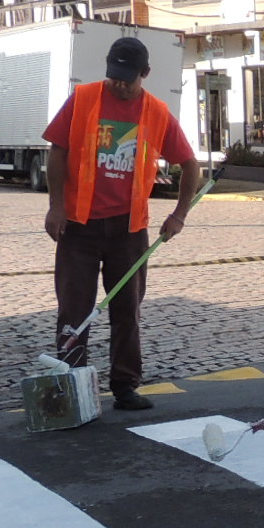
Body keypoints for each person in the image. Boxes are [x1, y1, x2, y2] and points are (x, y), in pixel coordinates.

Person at [43, 35, 201, 412]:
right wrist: (55, 206)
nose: (119, 83)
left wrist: (179, 214)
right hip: (78, 228)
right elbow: (57, 151)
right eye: (114, 75)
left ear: (144, 74)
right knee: (73, 309)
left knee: (126, 310)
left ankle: (125, 385)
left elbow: (190, 164)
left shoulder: (157, 112)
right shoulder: (83, 99)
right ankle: (71, 381)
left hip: (129, 231)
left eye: (127, 78)